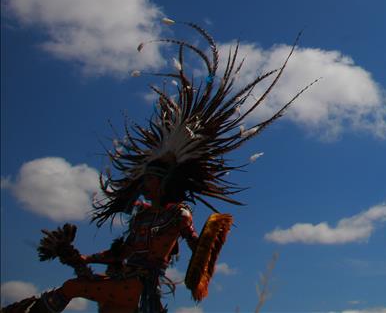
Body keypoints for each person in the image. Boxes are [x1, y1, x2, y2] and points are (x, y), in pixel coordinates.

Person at [3, 23, 313, 313]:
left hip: (140, 287)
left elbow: (197, 251)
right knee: (71, 286)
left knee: (72, 287)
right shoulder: (142, 214)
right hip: (122, 279)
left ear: (168, 182)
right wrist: (82, 258)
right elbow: (119, 253)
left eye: (152, 179)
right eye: (146, 179)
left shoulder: (179, 214)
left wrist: (207, 246)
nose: (146, 185)